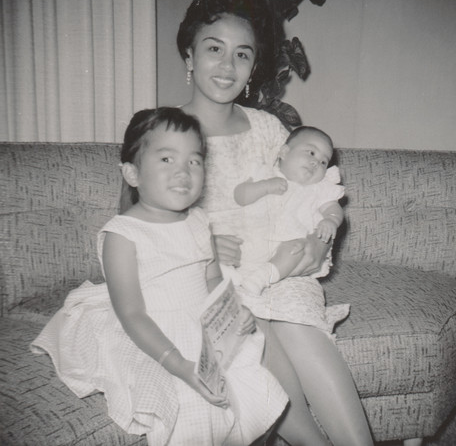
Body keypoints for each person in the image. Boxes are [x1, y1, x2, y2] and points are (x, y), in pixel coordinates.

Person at [176, 0, 374, 446]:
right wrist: (199, 244)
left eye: (242, 54)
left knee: (298, 322)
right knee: (250, 330)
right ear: (189, 56)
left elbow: (305, 197)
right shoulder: (165, 128)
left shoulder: (269, 127)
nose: (228, 65)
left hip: (280, 267)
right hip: (209, 278)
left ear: (253, 68)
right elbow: (133, 223)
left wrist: (315, 239)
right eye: (214, 49)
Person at [31, 107, 290, 446]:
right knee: (197, 411)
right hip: (155, 334)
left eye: (194, 161)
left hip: (203, 324)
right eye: (167, 159)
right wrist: (178, 364)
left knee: (252, 388)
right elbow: (132, 314)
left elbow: (212, 281)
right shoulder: (123, 234)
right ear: (132, 173)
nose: (183, 171)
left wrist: (233, 309)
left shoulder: (199, 221)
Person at [228, 125, 347, 299]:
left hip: (286, 245)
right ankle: (230, 273)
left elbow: (333, 208)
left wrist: (331, 220)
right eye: (311, 153)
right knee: (231, 243)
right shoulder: (264, 172)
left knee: (295, 249)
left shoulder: (319, 189)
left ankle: (261, 278)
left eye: (324, 162)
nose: (316, 162)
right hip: (250, 237)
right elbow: (239, 196)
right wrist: (264, 186)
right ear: (284, 152)